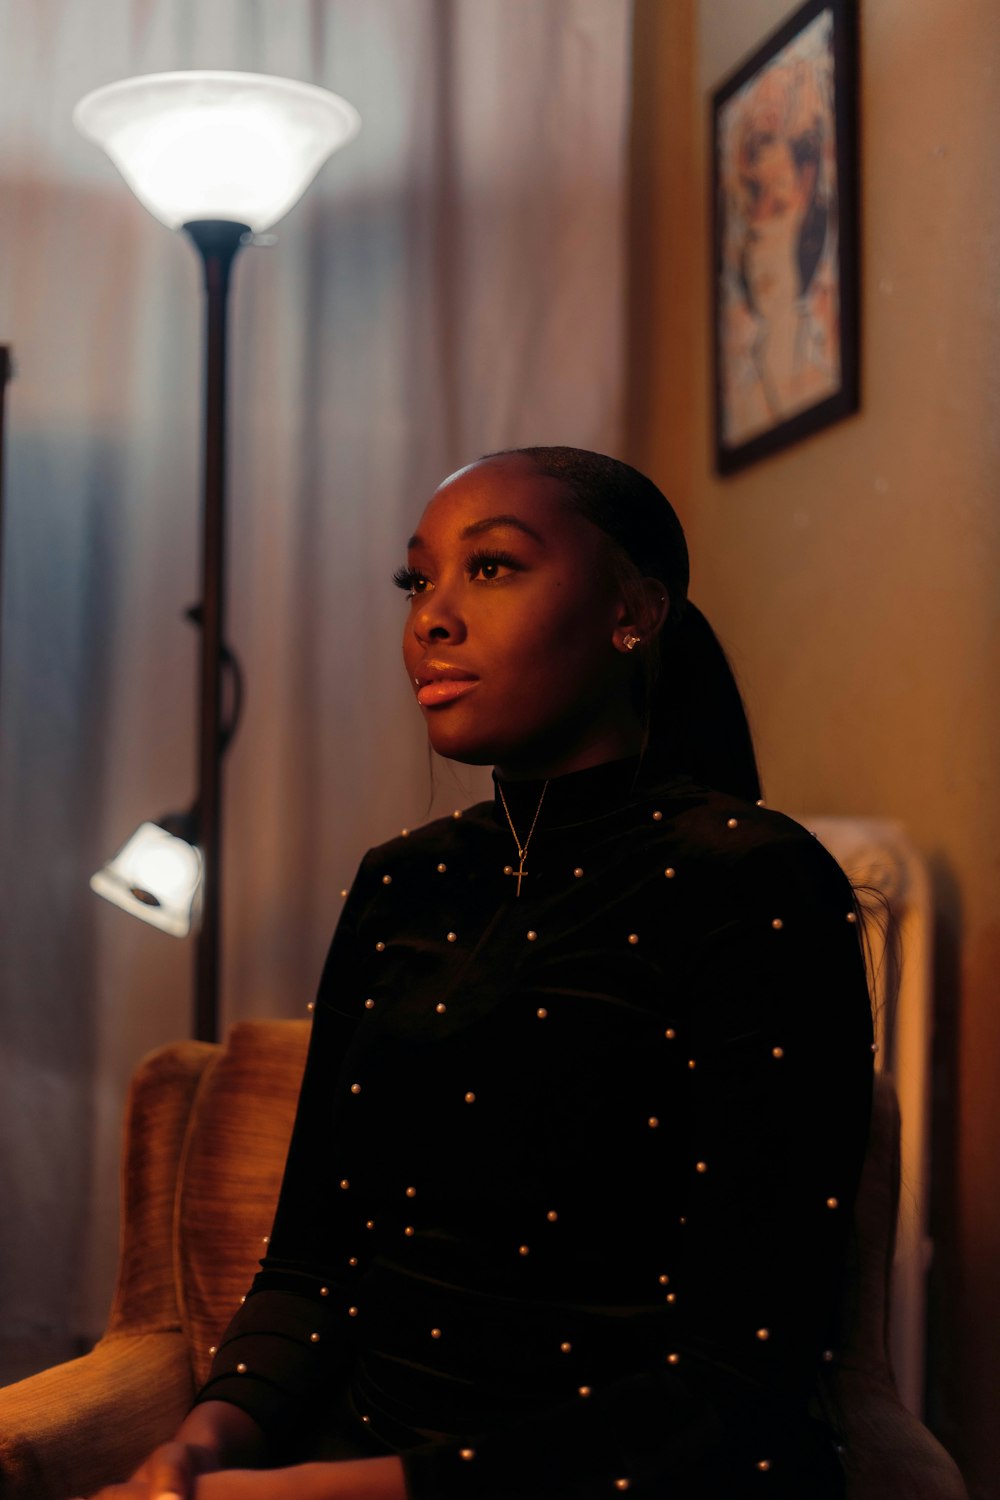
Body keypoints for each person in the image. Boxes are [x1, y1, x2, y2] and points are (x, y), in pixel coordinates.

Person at [80, 448, 873, 1500]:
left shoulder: (752, 881)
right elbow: (312, 1264)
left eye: (491, 569)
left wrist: (305, 1496)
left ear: (630, 609)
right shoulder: (401, 881)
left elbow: (742, 1376)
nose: (430, 619)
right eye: (416, 581)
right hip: (344, 1459)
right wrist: (205, 1444)